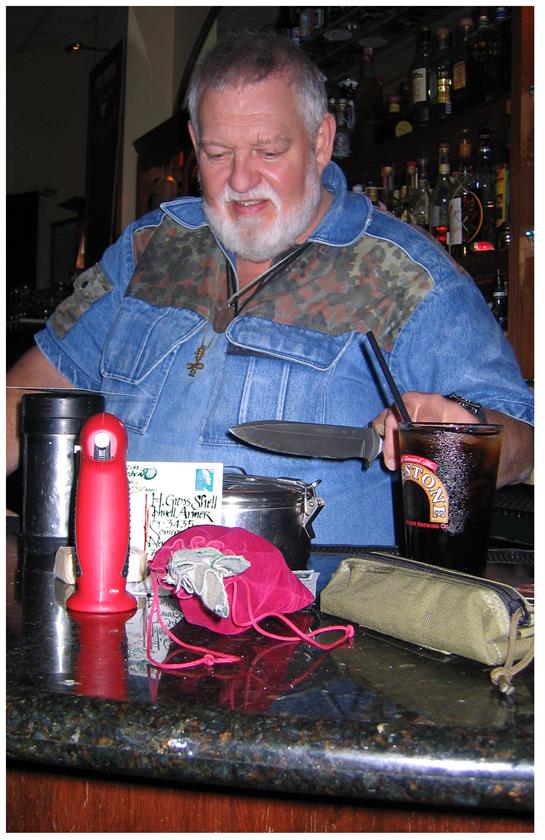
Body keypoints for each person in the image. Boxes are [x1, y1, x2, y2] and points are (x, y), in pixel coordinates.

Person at [6, 31, 533, 547]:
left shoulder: (410, 278)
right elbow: (31, 387)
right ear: (194, 144)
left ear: (321, 141)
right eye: (217, 153)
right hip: (129, 599)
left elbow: (524, 444)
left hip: (311, 624)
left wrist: (467, 430)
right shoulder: (149, 246)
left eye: (268, 151)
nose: (240, 180)